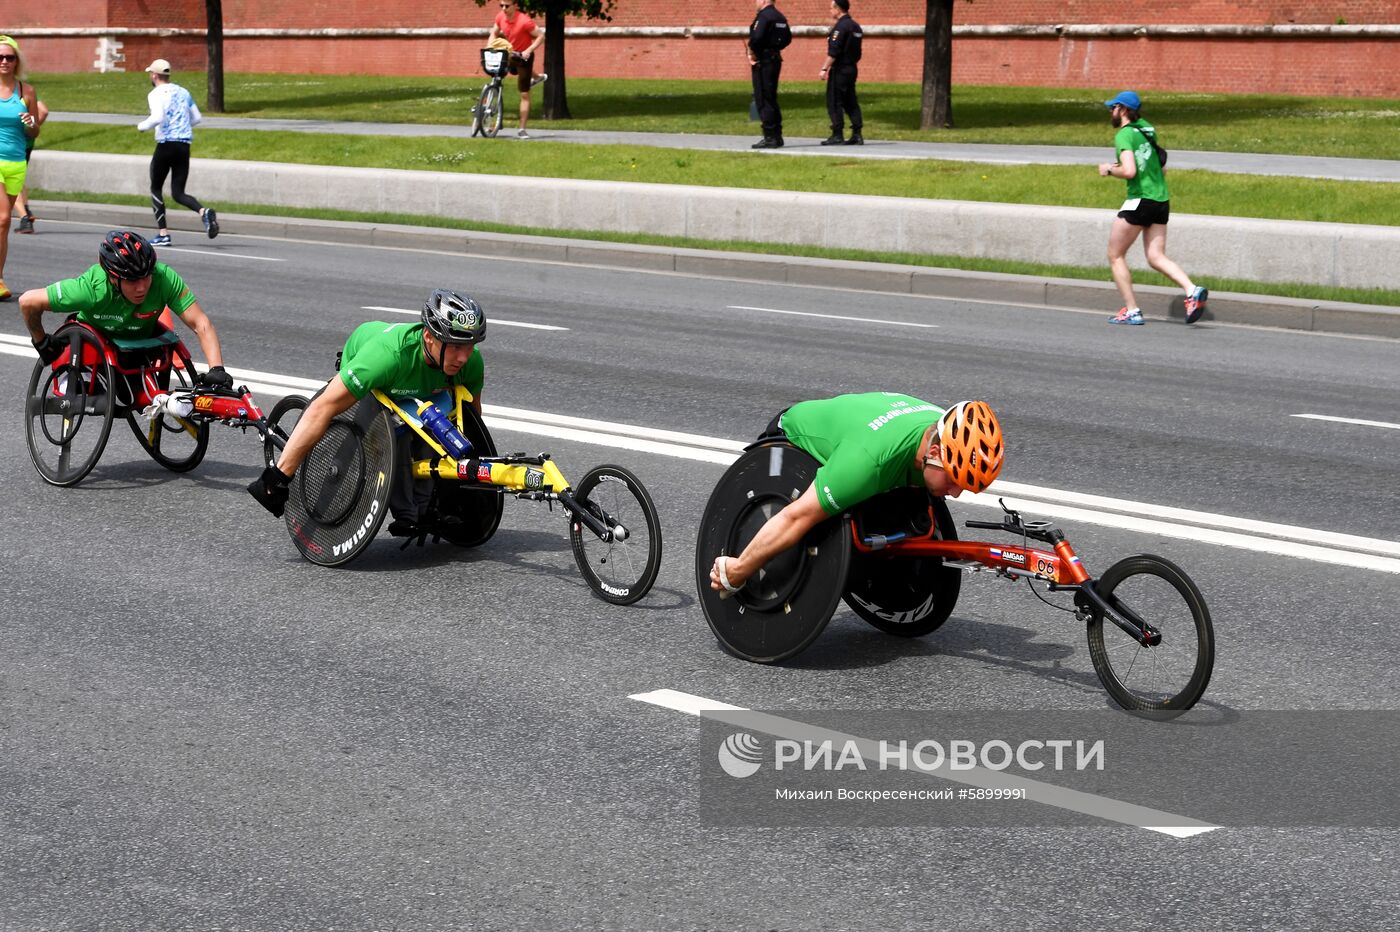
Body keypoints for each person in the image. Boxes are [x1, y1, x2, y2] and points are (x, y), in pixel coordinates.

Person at [708, 393, 1004, 594]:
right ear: (935, 450)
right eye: (954, 481)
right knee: (816, 516)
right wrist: (737, 570)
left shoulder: (943, 428)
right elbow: (794, 517)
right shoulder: (865, 463)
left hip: (868, 438)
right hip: (794, 435)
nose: (955, 494)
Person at [248, 290, 487, 538]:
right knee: (399, 432)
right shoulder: (386, 357)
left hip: (421, 387)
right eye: (456, 346)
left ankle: (426, 506)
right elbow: (323, 407)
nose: (463, 357)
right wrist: (278, 477)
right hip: (379, 374)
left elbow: (472, 420)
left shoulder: (471, 362)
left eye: (469, 347)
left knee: (436, 430)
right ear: (429, 337)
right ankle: (408, 512)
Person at [18, 230, 231, 388]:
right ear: (112, 277)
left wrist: (217, 369)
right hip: (93, 354)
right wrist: (41, 341)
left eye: (145, 277)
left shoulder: (163, 278)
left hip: (138, 351)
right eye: (131, 281)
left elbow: (200, 323)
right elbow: (27, 301)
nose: (141, 287)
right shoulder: (90, 289)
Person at [1098, 90, 1208, 326]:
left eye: (1113, 108)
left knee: (1115, 255)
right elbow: (1158, 165)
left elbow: (1129, 171)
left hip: (1139, 200)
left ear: (1123, 110)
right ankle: (1192, 289)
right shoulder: (1148, 128)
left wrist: (1109, 169)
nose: (1110, 112)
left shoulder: (1124, 135)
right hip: (1160, 200)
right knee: (1155, 256)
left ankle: (1132, 310)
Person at [138, 58, 219, 247]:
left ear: (155, 75)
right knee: (178, 192)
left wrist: (142, 126)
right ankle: (203, 212)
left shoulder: (155, 93)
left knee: (156, 188)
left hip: (166, 144)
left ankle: (163, 234)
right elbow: (197, 118)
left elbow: (157, 117)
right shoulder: (183, 92)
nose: (151, 76)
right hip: (184, 146)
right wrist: (181, 126)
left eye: (151, 73)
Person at [0, 35, 41, 301]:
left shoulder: (26, 91)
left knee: (3, 226)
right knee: (3, 217)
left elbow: (34, 132)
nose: (4, 61)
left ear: (17, 61)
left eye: (9, 57)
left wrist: (29, 122)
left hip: (17, 162)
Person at [488, 0, 548, 139]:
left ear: (515, 6)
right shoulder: (500, 17)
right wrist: (490, 46)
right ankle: (489, 118)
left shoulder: (525, 21)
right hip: (509, 54)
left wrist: (529, 49)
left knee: (524, 94)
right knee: (494, 81)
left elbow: (540, 36)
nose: (503, 8)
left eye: (507, 6)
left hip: (523, 58)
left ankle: (522, 129)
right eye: (501, 5)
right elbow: (494, 33)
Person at [747, 0, 792, 149]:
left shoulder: (764, 17)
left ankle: (769, 136)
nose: (755, 2)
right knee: (771, 97)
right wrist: (775, 47)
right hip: (775, 59)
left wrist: (752, 52)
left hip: (763, 61)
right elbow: (787, 38)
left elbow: (756, 38)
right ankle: (777, 135)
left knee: (763, 98)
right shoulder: (780, 17)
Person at [819, 0, 863, 146]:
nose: (830, 11)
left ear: (838, 9)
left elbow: (834, 52)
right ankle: (857, 133)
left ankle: (837, 134)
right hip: (852, 68)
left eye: (831, 8)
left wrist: (824, 68)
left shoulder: (841, 27)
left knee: (834, 100)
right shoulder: (856, 26)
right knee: (850, 100)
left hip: (840, 69)